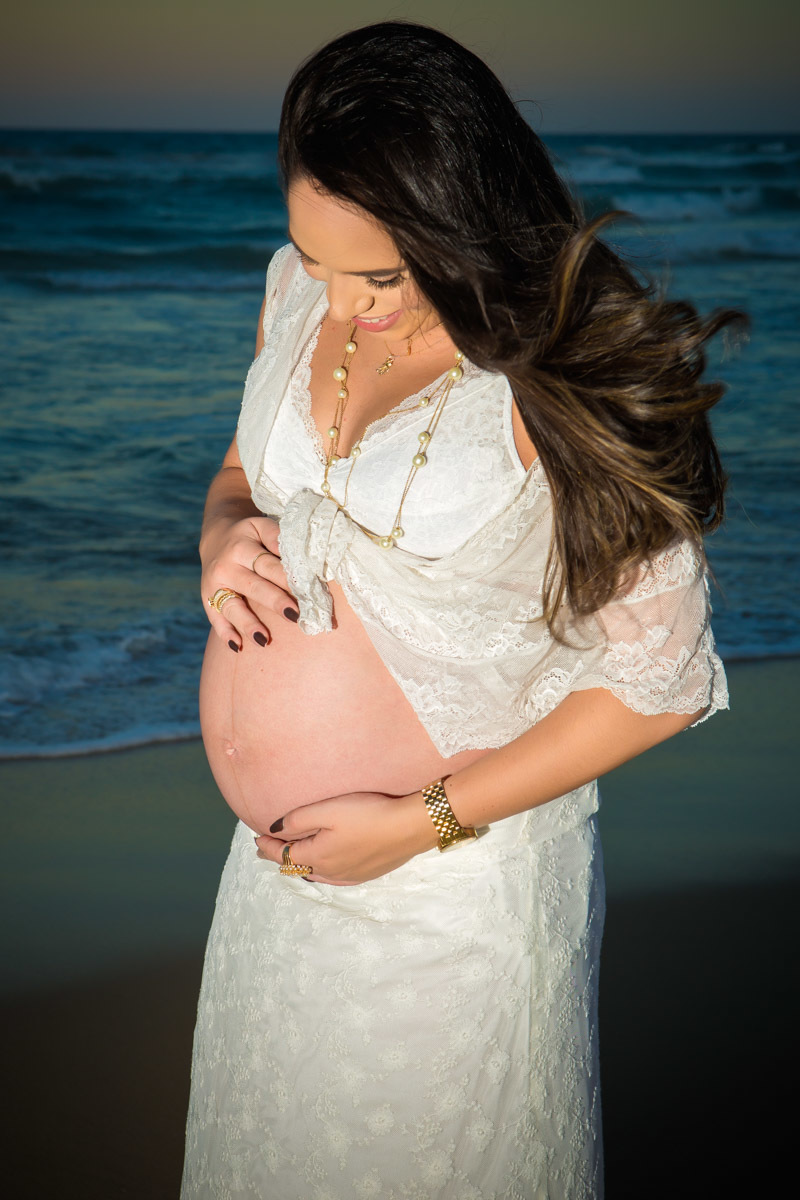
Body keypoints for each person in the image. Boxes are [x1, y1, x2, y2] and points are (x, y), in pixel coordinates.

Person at [182, 21, 741, 1199]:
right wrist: (224, 531)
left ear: (455, 221)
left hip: (451, 888)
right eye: (314, 259)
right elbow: (243, 471)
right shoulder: (300, 290)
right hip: (277, 883)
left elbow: (657, 682)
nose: (337, 304)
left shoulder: (556, 369)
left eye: (378, 274)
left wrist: (417, 822)